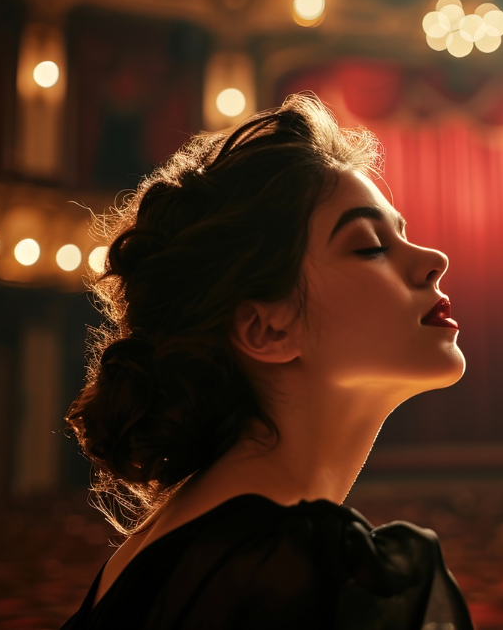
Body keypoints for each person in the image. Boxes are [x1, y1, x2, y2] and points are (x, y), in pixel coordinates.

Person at [59, 93, 471, 629]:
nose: (433, 260)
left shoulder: (151, 554)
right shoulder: (302, 566)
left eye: (402, 233)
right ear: (265, 328)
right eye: (369, 245)